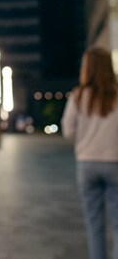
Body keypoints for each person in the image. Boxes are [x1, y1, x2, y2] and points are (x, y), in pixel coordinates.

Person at [62, 47, 118, 259]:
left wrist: (85, 138)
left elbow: (68, 130)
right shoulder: (117, 94)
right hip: (114, 162)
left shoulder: (78, 96)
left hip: (86, 164)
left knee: (94, 224)